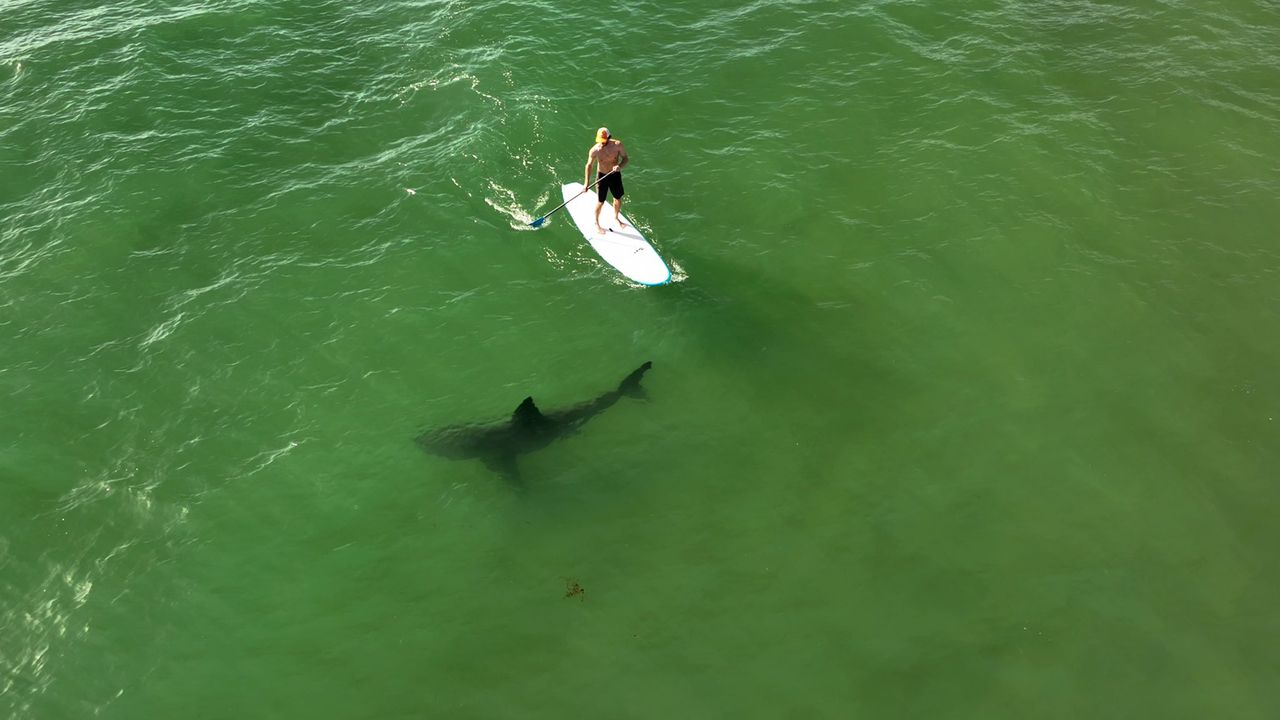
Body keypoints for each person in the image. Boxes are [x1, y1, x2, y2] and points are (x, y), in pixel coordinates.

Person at [584, 127, 629, 234]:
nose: (601, 144)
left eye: (603, 141)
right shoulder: (595, 150)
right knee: (600, 201)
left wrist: (619, 166)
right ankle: (596, 222)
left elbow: (625, 159)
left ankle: (616, 218)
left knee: (617, 198)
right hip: (601, 176)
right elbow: (589, 165)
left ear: (609, 138)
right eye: (600, 141)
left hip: (615, 175)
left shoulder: (618, 145)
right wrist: (586, 183)